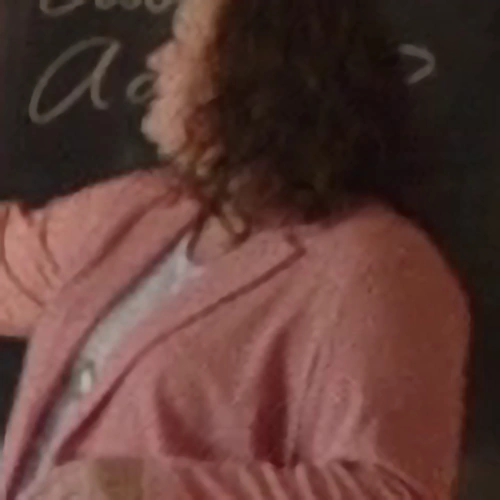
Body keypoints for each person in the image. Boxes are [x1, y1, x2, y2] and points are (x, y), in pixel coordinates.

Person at [1, 0, 470, 498]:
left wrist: (149, 490)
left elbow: (392, 491)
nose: (156, 60)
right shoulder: (143, 209)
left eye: (182, 42)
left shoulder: (378, 266)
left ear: (256, 78)